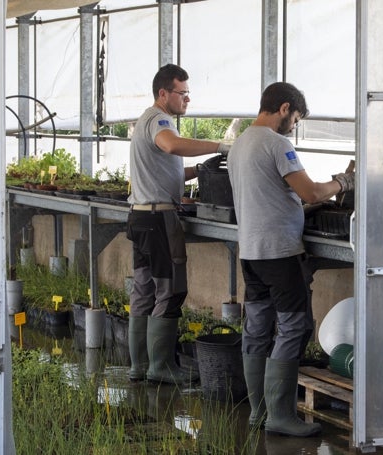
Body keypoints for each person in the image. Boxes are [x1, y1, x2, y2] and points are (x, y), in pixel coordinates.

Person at [227, 82, 354, 437]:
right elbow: (310, 191)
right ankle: (281, 417)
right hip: (280, 253)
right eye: (295, 118)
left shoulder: (240, 144)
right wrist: (343, 183)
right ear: (284, 109)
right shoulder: (276, 143)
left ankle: (258, 413)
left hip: (251, 252)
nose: (294, 126)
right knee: (295, 326)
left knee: (257, 328)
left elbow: (277, 195)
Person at [126, 63, 229, 385]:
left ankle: (139, 366)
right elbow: (172, 145)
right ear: (163, 93)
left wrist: (198, 169)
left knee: (143, 290)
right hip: (159, 219)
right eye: (182, 94)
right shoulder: (159, 120)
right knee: (170, 290)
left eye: (188, 94)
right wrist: (222, 146)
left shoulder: (146, 120)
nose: (187, 100)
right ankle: (161, 367)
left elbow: (167, 166)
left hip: (141, 216)